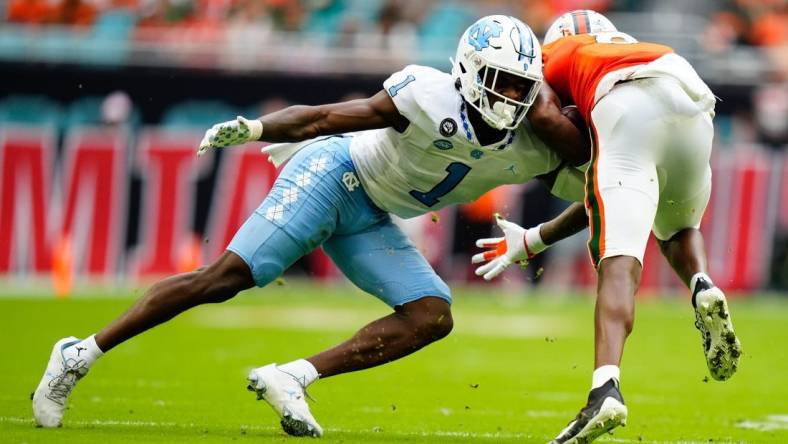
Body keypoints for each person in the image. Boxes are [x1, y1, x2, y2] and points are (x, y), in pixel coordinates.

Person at [33, 15, 589, 437]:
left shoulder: (538, 143)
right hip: (336, 172)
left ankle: (293, 376)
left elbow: (598, 194)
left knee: (432, 315)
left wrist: (540, 235)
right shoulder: (426, 92)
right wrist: (254, 128)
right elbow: (327, 116)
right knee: (228, 277)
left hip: (372, 215)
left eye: (522, 85)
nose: (509, 97)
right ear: (467, 71)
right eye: (500, 81)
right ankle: (79, 354)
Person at [471, 10, 743, 444]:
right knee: (673, 224)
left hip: (624, 103)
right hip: (691, 97)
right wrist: (534, 239)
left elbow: (542, 115)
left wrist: (574, 158)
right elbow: (602, 197)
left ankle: (605, 389)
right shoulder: (626, 42)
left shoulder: (552, 54)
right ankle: (700, 283)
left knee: (619, 262)